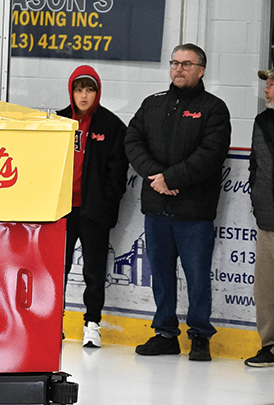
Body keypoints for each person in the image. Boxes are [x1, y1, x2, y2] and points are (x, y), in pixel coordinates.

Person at [125, 43, 231, 361]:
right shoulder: (152, 104)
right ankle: (165, 334)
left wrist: (172, 179)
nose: (178, 69)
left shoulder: (214, 109)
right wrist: (156, 176)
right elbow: (133, 140)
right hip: (157, 208)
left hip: (193, 211)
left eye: (186, 64)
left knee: (197, 276)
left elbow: (210, 155)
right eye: (174, 63)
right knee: (161, 274)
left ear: (201, 70)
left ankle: (199, 335)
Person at [58, 65, 128, 348]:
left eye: (89, 90)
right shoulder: (59, 122)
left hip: (93, 211)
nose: (83, 96)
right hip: (62, 211)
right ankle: (55, 324)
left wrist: (106, 204)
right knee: (57, 269)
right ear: (71, 92)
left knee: (94, 271)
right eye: (78, 89)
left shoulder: (111, 126)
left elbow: (117, 173)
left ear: (97, 93)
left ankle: (92, 324)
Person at [244, 68, 274, 367]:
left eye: (273, 84)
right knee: (265, 290)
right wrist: (257, 197)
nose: (267, 90)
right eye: (267, 83)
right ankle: (270, 346)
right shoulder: (262, 121)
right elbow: (255, 165)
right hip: (268, 220)